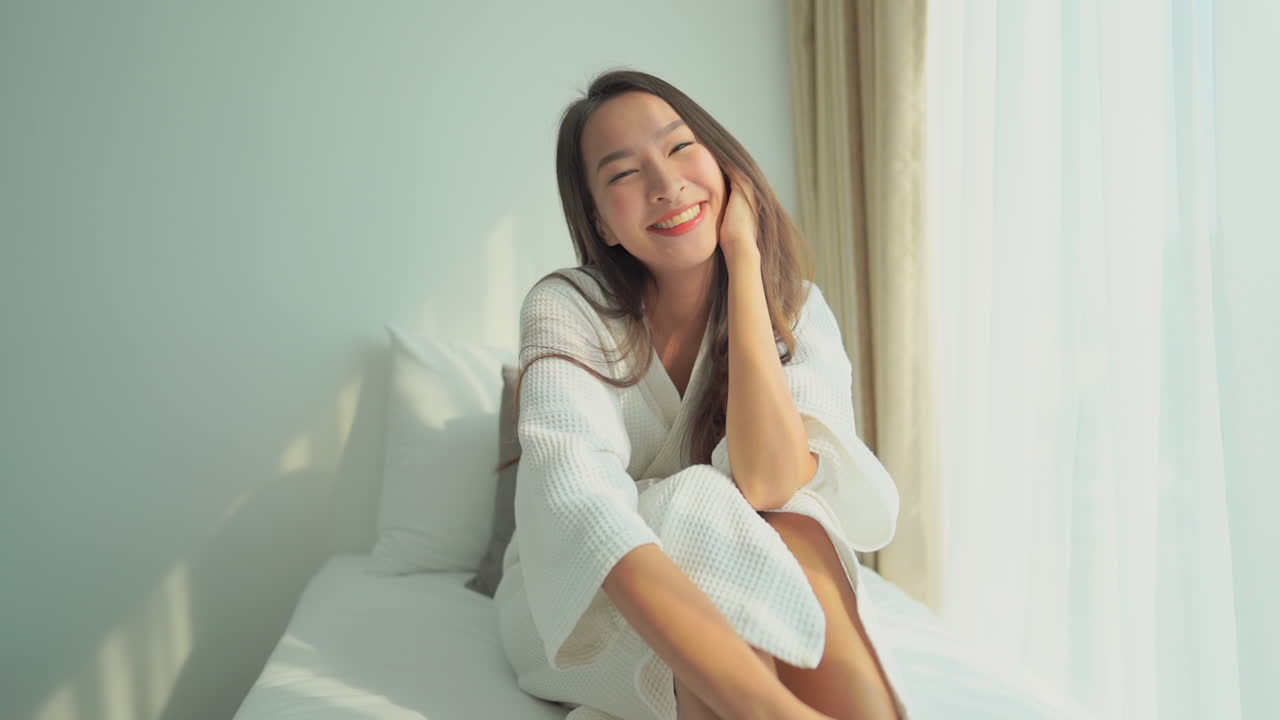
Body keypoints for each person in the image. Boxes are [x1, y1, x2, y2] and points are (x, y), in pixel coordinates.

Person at [492, 69, 909, 720]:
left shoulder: (792, 308)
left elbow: (771, 481)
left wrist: (745, 264)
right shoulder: (565, 309)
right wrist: (772, 707)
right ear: (600, 223)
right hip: (587, 601)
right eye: (624, 174)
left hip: (733, 564)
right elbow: (584, 513)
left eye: (680, 147)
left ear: (723, 163)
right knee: (698, 496)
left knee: (796, 512)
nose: (665, 185)